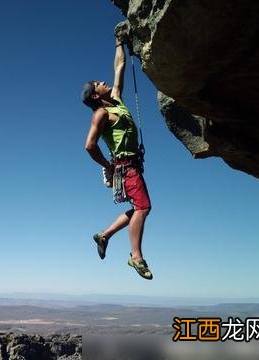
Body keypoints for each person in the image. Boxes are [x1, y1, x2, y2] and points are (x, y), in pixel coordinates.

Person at [81, 34, 153, 280]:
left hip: (132, 166)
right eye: (99, 83)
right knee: (143, 207)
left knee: (139, 207)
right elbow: (89, 145)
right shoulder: (101, 114)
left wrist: (118, 42)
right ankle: (136, 256)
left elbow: (119, 67)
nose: (104, 82)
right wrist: (108, 164)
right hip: (125, 166)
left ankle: (104, 235)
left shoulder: (117, 102)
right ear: (94, 95)